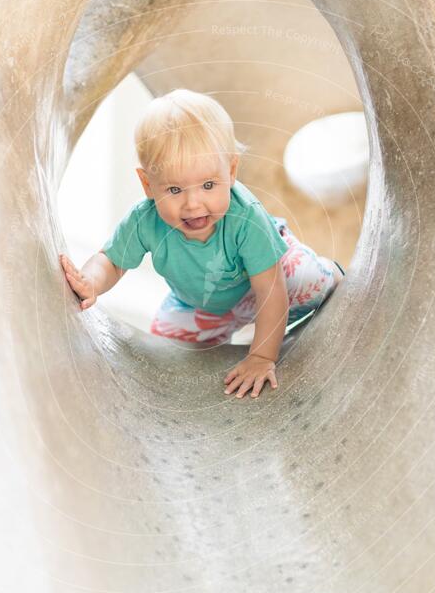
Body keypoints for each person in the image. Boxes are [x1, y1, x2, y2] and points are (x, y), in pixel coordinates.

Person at [60, 89, 345, 399]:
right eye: (174, 189)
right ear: (147, 185)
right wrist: (90, 282)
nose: (194, 204)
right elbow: (112, 261)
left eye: (208, 185)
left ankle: (330, 271)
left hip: (269, 279)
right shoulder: (145, 220)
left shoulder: (245, 217)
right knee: (165, 354)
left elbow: (271, 290)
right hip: (202, 303)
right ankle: (233, 328)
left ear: (231, 171)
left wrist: (262, 357)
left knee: (307, 279)